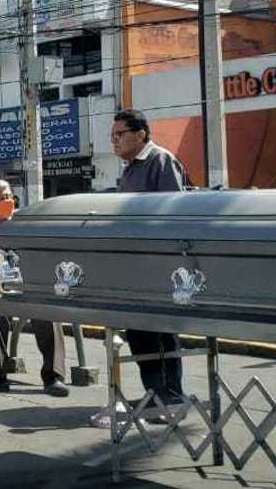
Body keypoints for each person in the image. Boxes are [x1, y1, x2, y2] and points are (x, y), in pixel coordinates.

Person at [112, 109, 188, 411]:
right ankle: (153, 394)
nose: (114, 141)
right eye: (112, 136)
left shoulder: (160, 160)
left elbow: (174, 210)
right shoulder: (129, 168)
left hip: (157, 264)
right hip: (134, 265)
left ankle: (171, 394)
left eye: (120, 134)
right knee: (139, 333)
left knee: (161, 332)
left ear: (141, 134)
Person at [0, 179, 68, 396]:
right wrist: (6, 284)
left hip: (26, 285)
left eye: (11, 197)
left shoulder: (21, 223)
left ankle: (53, 376)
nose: (9, 201)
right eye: (3, 198)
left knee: (46, 309)